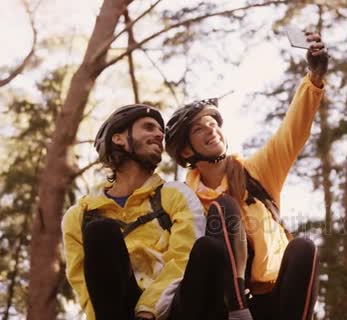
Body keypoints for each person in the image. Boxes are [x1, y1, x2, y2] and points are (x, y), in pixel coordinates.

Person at [164, 31, 328, 320]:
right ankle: (237, 308)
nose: (211, 129)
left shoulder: (255, 173)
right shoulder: (180, 200)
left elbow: (293, 132)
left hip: (270, 294)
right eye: (199, 129)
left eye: (213, 123)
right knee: (224, 208)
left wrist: (313, 78)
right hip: (220, 301)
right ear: (186, 152)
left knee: (304, 248)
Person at [62, 104, 207, 320]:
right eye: (149, 127)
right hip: (116, 311)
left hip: (172, 309)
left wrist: (148, 310)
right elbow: (85, 288)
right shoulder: (79, 216)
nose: (159, 135)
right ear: (118, 139)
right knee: (100, 232)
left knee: (209, 250)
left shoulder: (175, 194)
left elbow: (184, 258)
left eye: (160, 131)